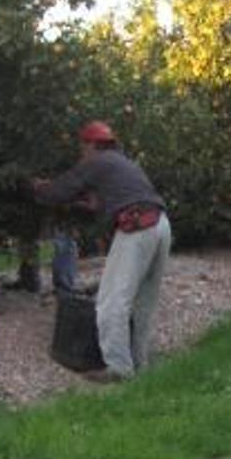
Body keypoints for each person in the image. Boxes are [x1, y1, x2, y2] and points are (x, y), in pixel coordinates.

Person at [33, 120, 171, 382]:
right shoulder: (123, 164)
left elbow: (59, 190)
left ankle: (118, 368)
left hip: (138, 228)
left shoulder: (97, 161)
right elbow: (104, 203)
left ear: (91, 144)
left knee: (110, 302)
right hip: (161, 225)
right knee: (143, 301)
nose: (81, 153)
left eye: (82, 147)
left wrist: (37, 187)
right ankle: (140, 364)